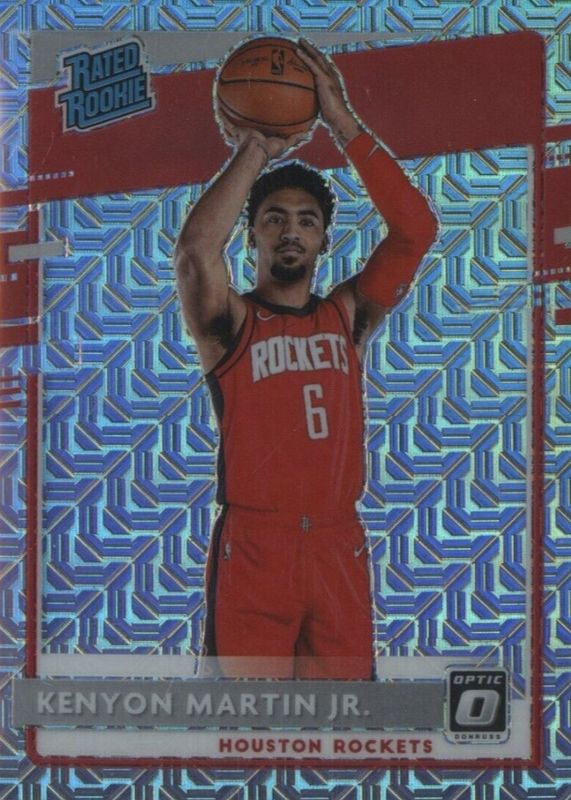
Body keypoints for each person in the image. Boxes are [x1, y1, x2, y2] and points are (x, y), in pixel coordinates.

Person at [174, 38, 437, 679]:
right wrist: (256, 149)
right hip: (256, 547)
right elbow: (194, 254)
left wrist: (341, 121)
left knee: (345, 721)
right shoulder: (229, 324)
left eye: (307, 221)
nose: (291, 230)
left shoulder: (349, 315)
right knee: (245, 720)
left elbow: (416, 231)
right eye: (274, 218)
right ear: (251, 234)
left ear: (322, 240)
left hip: (337, 543)